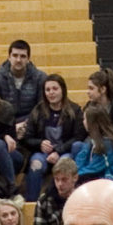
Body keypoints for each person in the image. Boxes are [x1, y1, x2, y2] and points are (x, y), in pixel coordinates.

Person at [20, 73, 84, 202]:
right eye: (48, 90)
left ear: (63, 90)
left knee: (65, 165)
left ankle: (68, 201)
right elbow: (27, 138)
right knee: (35, 164)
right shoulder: (37, 111)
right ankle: (32, 202)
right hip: (42, 153)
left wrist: (58, 151)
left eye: (55, 89)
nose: (51, 93)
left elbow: (79, 136)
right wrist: (40, 144)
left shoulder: (75, 110)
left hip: (65, 151)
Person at [0, 40, 48, 133]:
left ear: (28, 59)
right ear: (9, 57)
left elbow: (42, 108)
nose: (18, 60)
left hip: (32, 128)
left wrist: (26, 124)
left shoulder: (40, 78)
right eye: (15, 55)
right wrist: (12, 128)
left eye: (23, 56)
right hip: (5, 128)